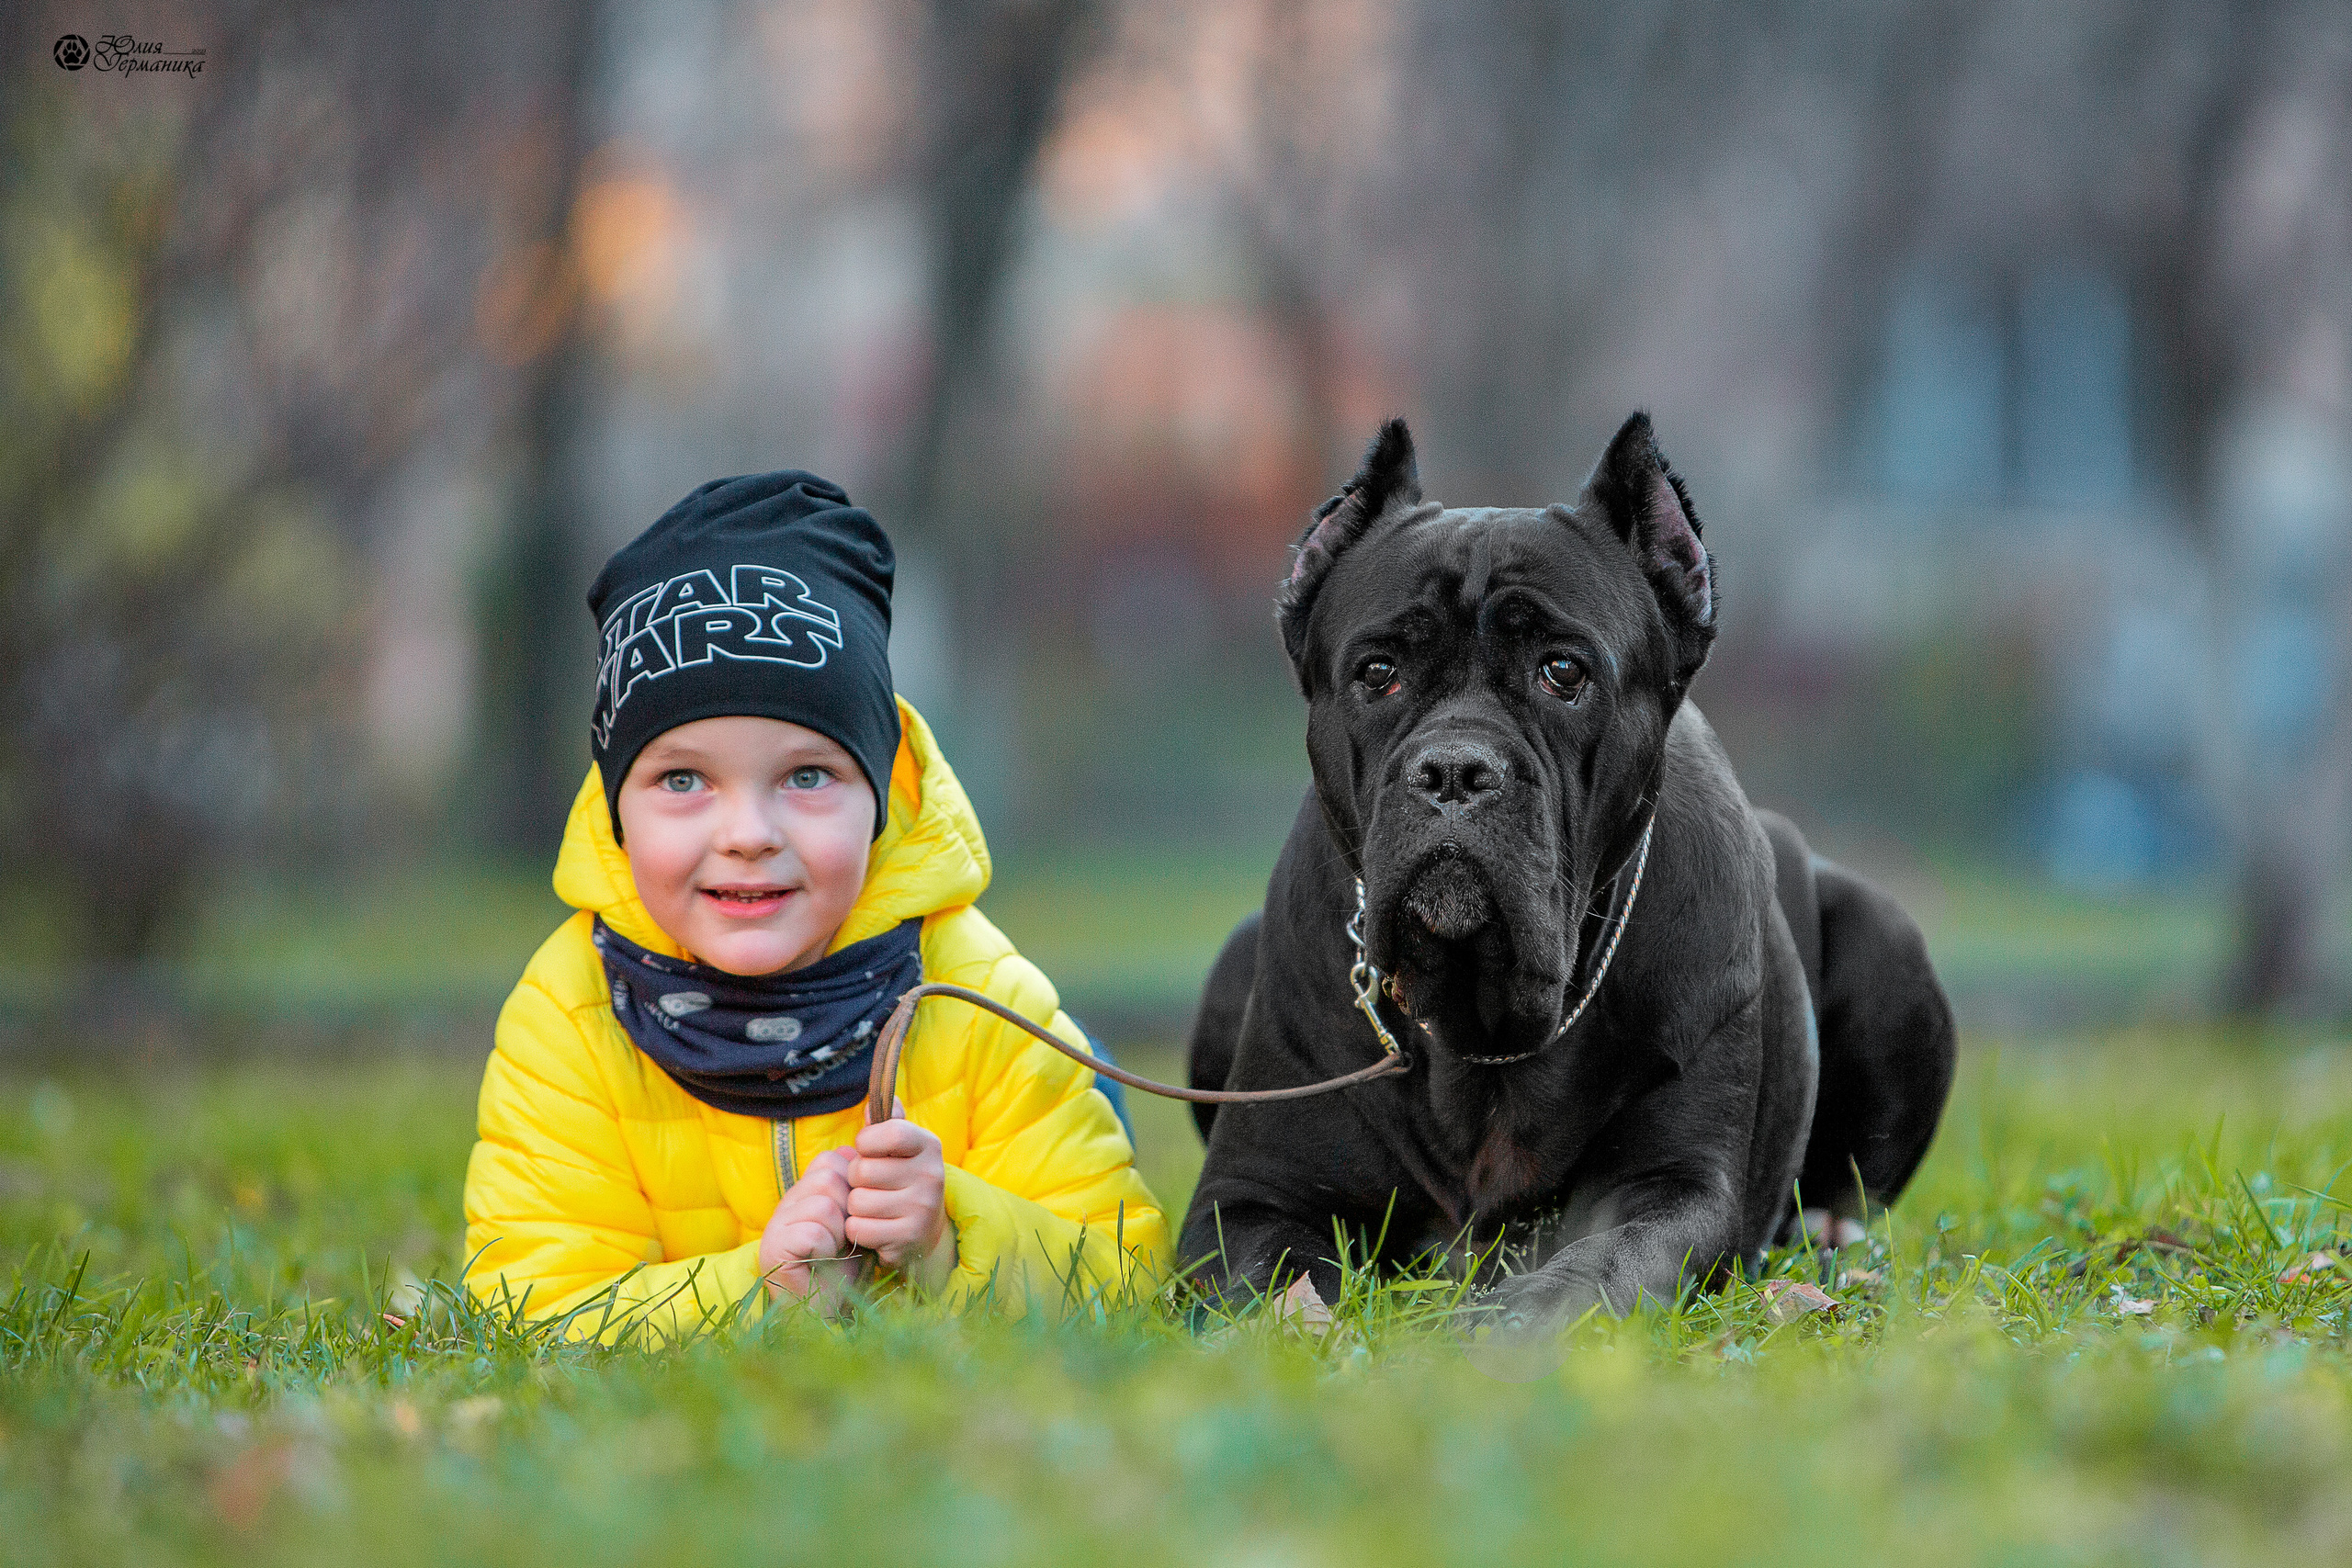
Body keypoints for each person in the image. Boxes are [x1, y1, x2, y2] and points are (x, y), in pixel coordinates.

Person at [462, 470, 1166, 1338]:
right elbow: (530, 1308)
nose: (749, 832)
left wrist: (951, 1235)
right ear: (615, 806)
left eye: (807, 776)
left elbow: (1129, 1283)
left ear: (881, 792)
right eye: (683, 778)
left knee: (1074, 1077)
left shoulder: (982, 995)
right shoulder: (570, 1016)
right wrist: (758, 1288)